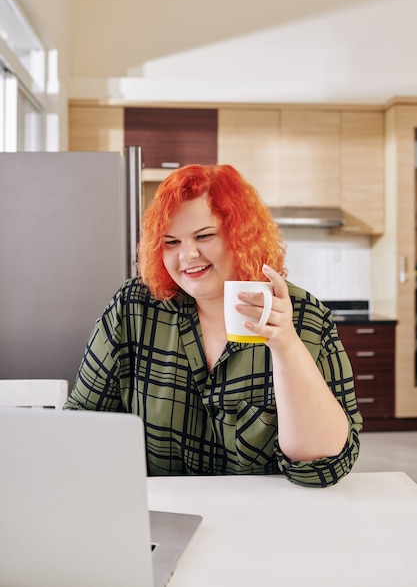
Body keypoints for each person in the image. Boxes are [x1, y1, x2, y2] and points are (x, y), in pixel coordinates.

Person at [64, 163, 363, 487]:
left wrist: (286, 344)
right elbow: (82, 424)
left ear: (240, 235)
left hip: (268, 522)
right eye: (171, 242)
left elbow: (322, 467)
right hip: (162, 518)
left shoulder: (304, 315)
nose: (187, 254)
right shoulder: (134, 307)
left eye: (204, 236)